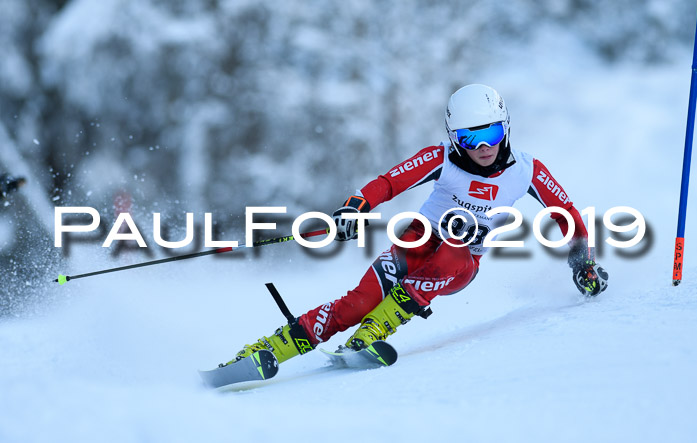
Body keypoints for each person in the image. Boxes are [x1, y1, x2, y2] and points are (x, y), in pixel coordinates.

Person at [224, 84, 609, 366]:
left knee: (454, 252)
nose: (482, 147)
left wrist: (583, 263)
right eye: (468, 138)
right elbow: (390, 182)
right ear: (453, 139)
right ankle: (268, 350)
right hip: (415, 245)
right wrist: (356, 207)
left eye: (490, 133)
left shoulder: (526, 171)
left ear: (505, 127)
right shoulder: (440, 158)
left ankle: (372, 334)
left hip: (460, 266)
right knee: (355, 304)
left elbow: (567, 215)